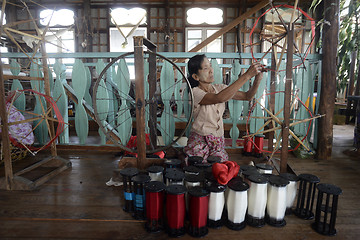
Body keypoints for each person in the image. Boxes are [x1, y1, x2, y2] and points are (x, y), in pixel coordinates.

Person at [183, 54, 265, 164]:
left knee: (219, 166)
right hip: (200, 140)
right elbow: (219, 98)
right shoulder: (195, 93)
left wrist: (257, 79)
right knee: (197, 164)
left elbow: (247, 96)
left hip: (217, 141)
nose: (211, 71)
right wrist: (247, 76)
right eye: (206, 68)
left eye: (210, 66)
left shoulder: (220, 88)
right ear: (196, 77)